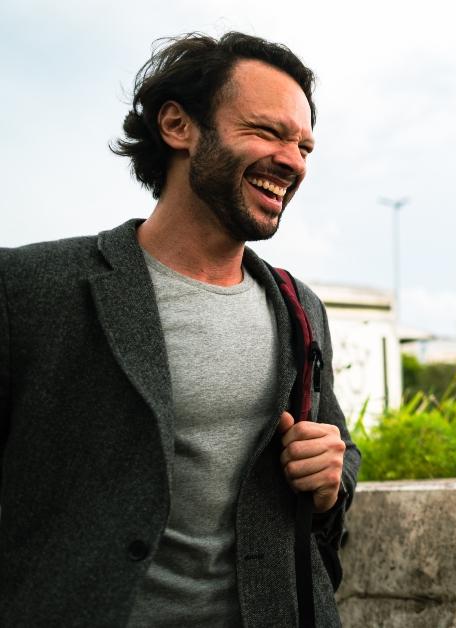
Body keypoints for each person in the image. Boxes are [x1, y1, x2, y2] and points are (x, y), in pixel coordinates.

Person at [0, 32, 359, 627]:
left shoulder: (300, 306)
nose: (293, 161)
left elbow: (336, 452)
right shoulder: (30, 289)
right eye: (267, 132)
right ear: (177, 125)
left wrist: (330, 477)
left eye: (304, 146)